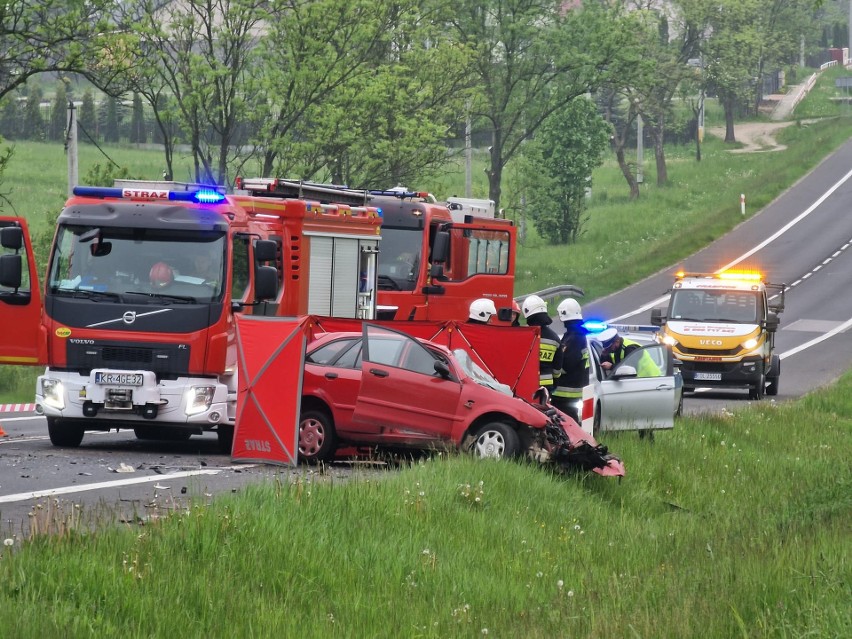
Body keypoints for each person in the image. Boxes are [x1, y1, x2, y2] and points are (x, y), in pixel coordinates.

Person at [551, 298, 589, 424]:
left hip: (566, 392)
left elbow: (567, 363)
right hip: (572, 390)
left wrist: (551, 369)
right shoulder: (576, 336)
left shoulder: (574, 338)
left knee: (567, 424)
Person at [522, 294, 562, 394]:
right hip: (547, 386)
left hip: (526, 383)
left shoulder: (524, 335)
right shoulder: (555, 338)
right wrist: (554, 383)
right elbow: (557, 368)